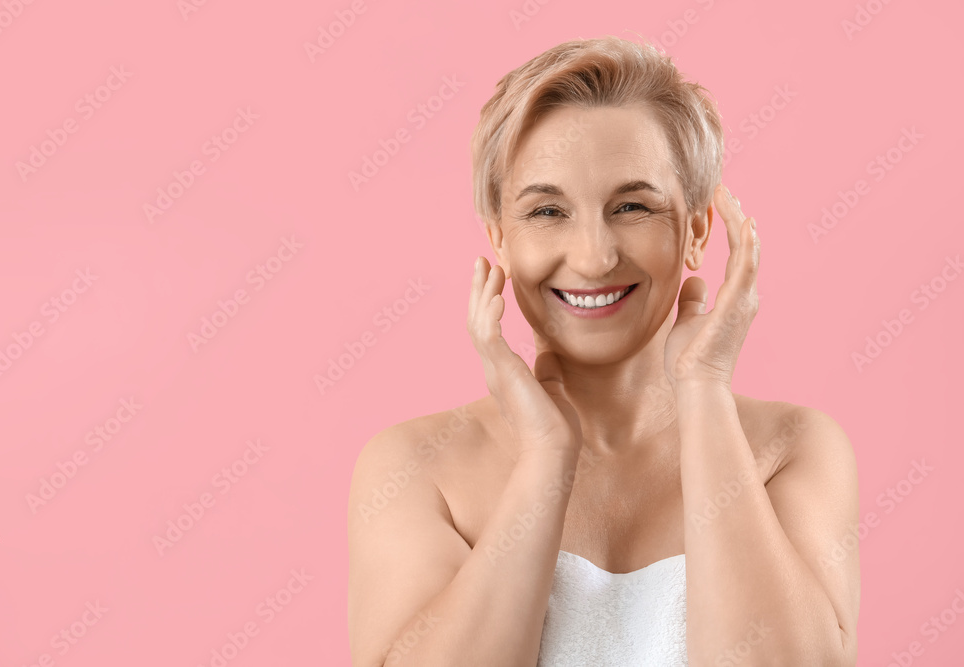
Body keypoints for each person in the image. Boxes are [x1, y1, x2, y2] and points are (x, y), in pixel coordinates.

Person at [348, 35, 860, 666]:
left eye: (631, 206)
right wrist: (545, 460)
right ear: (498, 238)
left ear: (696, 229)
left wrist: (703, 393)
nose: (593, 257)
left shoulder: (795, 449)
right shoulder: (413, 467)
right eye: (546, 212)